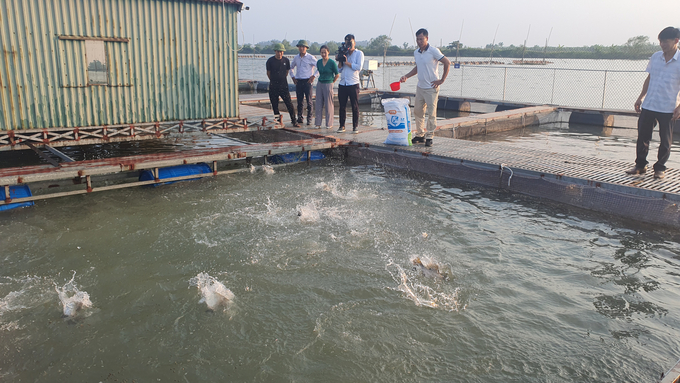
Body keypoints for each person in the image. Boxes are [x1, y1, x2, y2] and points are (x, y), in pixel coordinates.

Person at [626, 26, 680, 180]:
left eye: (666, 41)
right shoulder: (656, 57)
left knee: (665, 141)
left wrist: (679, 107)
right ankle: (640, 165)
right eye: (660, 41)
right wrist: (640, 97)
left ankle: (660, 168)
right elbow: (650, 78)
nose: (662, 44)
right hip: (650, 104)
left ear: (676, 41)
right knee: (643, 136)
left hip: (668, 106)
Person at [400, 28, 451, 147]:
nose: (419, 41)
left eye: (421, 39)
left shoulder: (433, 51)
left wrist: (442, 80)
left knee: (431, 113)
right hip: (420, 87)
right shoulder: (416, 52)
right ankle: (420, 134)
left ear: (427, 39)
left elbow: (447, 62)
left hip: (431, 87)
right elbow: (418, 68)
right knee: (417, 111)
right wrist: (406, 76)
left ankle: (430, 136)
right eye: (417, 39)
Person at [337, 34, 364, 134]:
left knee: (354, 106)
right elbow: (339, 69)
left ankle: (355, 126)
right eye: (346, 42)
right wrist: (340, 60)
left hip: (353, 83)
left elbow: (358, 67)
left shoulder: (359, 53)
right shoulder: (344, 53)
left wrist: (347, 62)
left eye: (350, 42)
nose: (348, 44)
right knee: (342, 106)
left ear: (354, 42)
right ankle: (341, 126)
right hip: (343, 83)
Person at [266, 43, 299, 127]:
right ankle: (277, 121)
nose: (280, 53)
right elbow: (268, 73)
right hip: (273, 86)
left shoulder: (286, 60)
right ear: (275, 51)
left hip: (283, 86)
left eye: (281, 52)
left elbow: (287, 72)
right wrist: (274, 80)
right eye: (278, 52)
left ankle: (294, 120)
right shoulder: (270, 61)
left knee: (289, 103)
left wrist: (281, 78)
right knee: (274, 105)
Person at [290, 40, 317, 125]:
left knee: (309, 101)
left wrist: (314, 76)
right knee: (299, 101)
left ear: (306, 48)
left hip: (307, 81)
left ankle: (309, 118)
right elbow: (291, 68)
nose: (301, 48)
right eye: (300, 47)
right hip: (299, 80)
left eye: (303, 47)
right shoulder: (296, 58)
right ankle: (300, 117)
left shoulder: (311, 57)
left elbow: (319, 67)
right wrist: (292, 77)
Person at [315, 45, 339, 129]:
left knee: (329, 104)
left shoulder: (332, 63)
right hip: (320, 82)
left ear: (328, 52)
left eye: (325, 52)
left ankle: (329, 124)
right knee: (318, 103)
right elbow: (319, 71)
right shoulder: (318, 62)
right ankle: (318, 123)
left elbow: (337, 74)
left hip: (328, 83)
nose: (323, 54)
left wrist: (332, 82)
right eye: (322, 52)